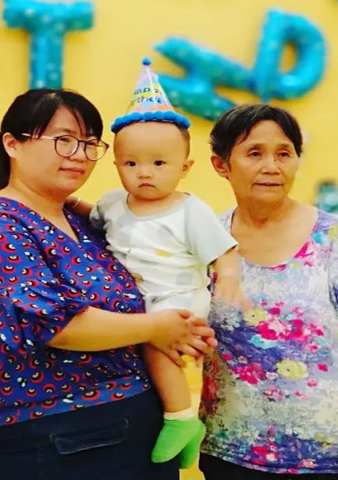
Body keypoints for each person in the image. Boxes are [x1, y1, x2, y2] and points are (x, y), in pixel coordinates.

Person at [0, 88, 216, 480]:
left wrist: (185, 326)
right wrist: (157, 327)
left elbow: (146, 292)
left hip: (137, 418)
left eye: (90, 144)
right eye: (64, 140)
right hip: (55, 434)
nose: (79, 154)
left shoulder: (84, 222)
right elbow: (54, 324)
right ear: (12, 144)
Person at [198, 103, 338, 480]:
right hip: (232, 451)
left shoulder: (333, 238)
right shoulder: (207, 241)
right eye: (255, 153)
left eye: (284, 153)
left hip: (333, 455)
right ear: (221, 165)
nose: (272, 166)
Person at [87, 59, 248, 469]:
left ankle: (181, 417)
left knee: (154, 342)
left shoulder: (190, 211)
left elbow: (223, 251)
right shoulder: (112, 204)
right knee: (138, 340)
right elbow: (92, 221)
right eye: (131, 163)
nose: (145, 173)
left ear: (184, 168)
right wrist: (67, 202)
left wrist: (229, 280)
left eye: (159, 164)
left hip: (179, 298)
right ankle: (177, 423)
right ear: (116, 165)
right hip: (140, 301)